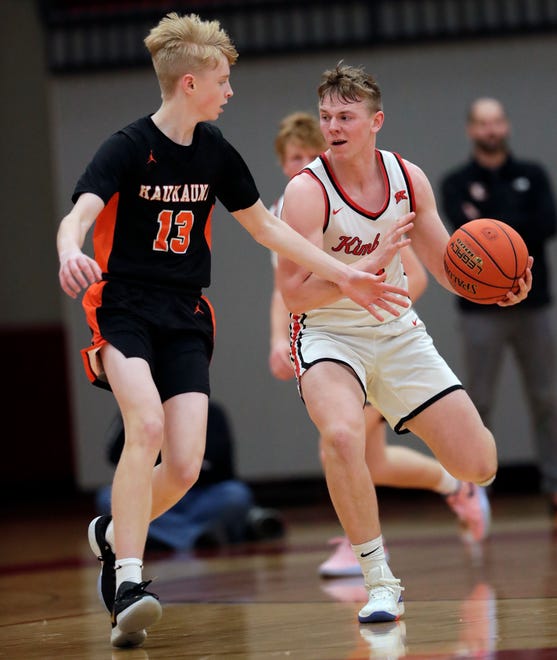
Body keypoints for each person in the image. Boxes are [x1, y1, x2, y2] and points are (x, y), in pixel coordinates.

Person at [56, 14, 412, 648]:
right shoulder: (127, 146)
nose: (229, 90)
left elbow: (268, 229)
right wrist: (67, 252)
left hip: (186, 312)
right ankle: (131, 581)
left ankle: (113, 536)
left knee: (188, 465)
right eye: (222, 79)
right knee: (146, 425)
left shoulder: (216, 150)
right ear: (189, 83)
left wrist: (348, 275)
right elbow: (78, 214)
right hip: (122, 306)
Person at [275, 63, 532, 624]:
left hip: (394, 329)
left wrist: (499, 289)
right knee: (341, 436)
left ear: (376, 121)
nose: (334, 127)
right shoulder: (306, 192)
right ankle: (379, 579)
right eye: (326, 117)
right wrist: (355, 272)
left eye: (346, 116)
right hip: (328, 333)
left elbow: (447, 266)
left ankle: (456, 487)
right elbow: (293, 295)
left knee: (480, 463)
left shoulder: (406, 178)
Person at [268, 112, 494, 581]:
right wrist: (277, 339)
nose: (301, 165)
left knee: (350, 450)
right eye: (292, 158)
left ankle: (457, 485)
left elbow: (416, 274)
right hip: (331, 340)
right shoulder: (285, 209)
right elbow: (284, 289)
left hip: (386, 335)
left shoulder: (375, 189)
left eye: (309, 155)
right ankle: (377, 553)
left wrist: (371, 295)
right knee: (360, 452)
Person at [440, 98, 557, 524]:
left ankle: (554, 485)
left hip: (535, 303)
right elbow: (462, 234)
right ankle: (473, 489)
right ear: (472, 129)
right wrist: (506, 225)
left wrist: (492, 222)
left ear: (505, 125)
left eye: (497, 122)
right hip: (479, 310)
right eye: (483, 124)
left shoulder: (533, 174)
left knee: (547, 398)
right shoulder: (455, 182)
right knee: (477, 400)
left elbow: (547, 223)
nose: (491, 130)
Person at [96, 401, 285, 550]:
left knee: (236, 494)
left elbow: (222, 466)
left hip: (201, 497)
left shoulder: (212, 412)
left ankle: (165, 535)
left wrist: (178, 466)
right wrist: (128, 415)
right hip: (155, 493)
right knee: (109, 497)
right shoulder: (137, 413)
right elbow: (114, 456)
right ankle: (197, 536)